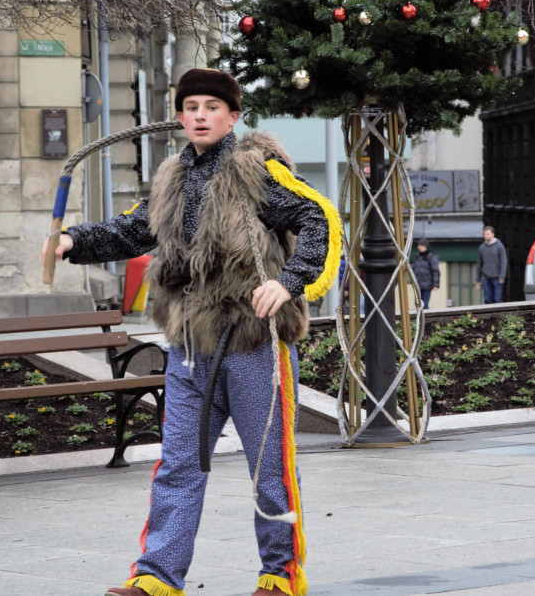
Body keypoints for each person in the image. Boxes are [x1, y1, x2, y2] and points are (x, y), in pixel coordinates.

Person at [46, 68, 341, 596]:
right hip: (189, 347)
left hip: (254, 343)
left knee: (270, 469)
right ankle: (157, 577)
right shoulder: (170, 177)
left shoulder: (259, 170)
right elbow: (134, 228)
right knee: (178, 466)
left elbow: (320, 218)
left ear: (232, 115)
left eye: (212, 106)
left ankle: (281, 575)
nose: (200, 115)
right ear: (179, 116)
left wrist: (289, 282)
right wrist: (73, 241)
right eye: (191, 107)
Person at [475, 225, 507, 304]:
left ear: (493, 234)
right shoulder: (482, 248)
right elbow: (479, 263)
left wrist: (502, 276)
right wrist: (477, 279)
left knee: (497, 298)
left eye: (488, 234)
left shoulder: (499, 246)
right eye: (484, 234)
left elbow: (503, 261)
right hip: (485, 277)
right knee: (487, 299)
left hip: (497, 277)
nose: (486, 236)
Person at [411, 239, 440, 308]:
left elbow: (435, 271)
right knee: (417, 304)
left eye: (420, 245)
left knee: (424, 304)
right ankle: (419, 318)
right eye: (418, 245)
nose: (418, 247)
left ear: (425, 246)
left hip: (427, 285)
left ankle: (424, 318)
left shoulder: (431, 257)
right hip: (417, 284)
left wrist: (435, 284)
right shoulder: (417, 257)